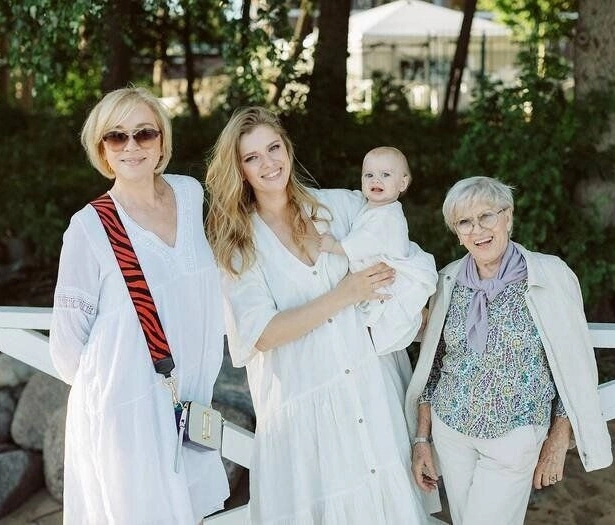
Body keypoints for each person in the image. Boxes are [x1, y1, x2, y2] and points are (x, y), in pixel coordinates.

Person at [205, 107, 440, 524]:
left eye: (273, 147)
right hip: (304, 408)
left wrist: (413, 310)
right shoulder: (240, 245)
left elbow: (402, 257)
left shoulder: (342, 207)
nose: (268, 162)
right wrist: (344, 294)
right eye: (252, 157)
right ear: (238, 169)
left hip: (371, 387)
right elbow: (262, 333)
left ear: (288, 149)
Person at [49, 87, 229, 524]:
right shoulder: (90, 227)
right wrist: (122, 394)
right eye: (117, 136)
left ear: (162, 143)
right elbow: (67, 348)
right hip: (124, 414)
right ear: (102, 149)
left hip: (187, 402)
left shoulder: (190, 196)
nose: (131, 146)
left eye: (144, 134)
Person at [405, 176, 613, 525]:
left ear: (508, 217)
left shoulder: (550, 275)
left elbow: (574, 365)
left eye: (487, 216)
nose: (478, 230)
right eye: (465, 222)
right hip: (451, 431)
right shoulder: (447, 281)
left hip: (515, 436)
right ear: (456, 232)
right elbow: (433, 366)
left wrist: (559, 439)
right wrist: (422, 438)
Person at [318, 146, 437, 354]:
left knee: (390, 318)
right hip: (377, 275)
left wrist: (334, 246)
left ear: (402, 183)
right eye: (369, 175)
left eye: (385, 175)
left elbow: (365, 241)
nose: (376, 180)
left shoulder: (388, 216)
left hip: (392, 279)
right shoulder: (374, 208)